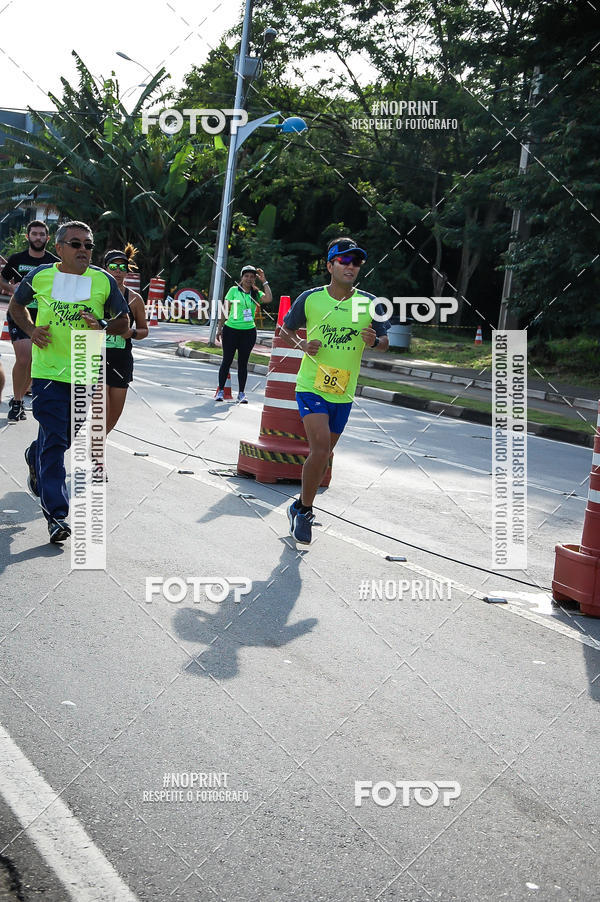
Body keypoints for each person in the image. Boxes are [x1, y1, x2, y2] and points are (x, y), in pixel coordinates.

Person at [8, 220, 129, 544]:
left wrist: (102, 324)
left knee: (61, 438)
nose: (84, 250)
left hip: (84, 371)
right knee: (57, 445)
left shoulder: (102, 281)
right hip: (48, 373)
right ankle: (57, 516)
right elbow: (16, 307)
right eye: (76, 244)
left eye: (88, 245)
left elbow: (124, 322)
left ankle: (34, 455)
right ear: (59, 248)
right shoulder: (40, 276)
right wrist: (32, 331)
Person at [281, 237, 390, 544]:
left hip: (343, 391)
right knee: (318, 449)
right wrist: (302, 344)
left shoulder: (370, 303)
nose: (351, 267)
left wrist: (374, 342)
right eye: (344, 261)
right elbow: (286, 330)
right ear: (330, 265)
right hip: (311, 385)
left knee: (325, 453)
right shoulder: (311, 299)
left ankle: (299, 505)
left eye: (356, 262)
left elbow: (385, 344)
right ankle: (306, 513)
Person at [0, 221, 58, 423]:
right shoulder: (17, 259)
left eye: (42, 234)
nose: (38, 237)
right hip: (19, 313)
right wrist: (11, 289)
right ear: (28, 237)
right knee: (24, 359)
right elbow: (1, 278)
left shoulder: (54, 263)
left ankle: (24, 394)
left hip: (43, 317)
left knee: (33, 362)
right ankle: (16, 402)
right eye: (34, 234)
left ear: (48, 238)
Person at [103, 246, 148, 433]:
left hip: (121, 360)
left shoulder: (134, 299)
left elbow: (144, 329)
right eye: (113, 267)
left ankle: (97, 443)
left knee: (114, 413)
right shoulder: (95, 294)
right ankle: (95, 453)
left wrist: (132, 334)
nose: (118, 272)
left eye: (123, 268)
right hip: (95, 358)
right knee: (101, 410)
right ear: (105, 269)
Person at [215, 264, 272, 403]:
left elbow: (269, 298)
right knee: (227, 360)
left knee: (243, 363)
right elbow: (224, 309)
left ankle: (241, 393)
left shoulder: (256, 293)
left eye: (252, 277)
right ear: (242, 277)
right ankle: (221, 391)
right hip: (231, 330)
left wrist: (264, 280)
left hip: (248, 332)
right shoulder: (234, 290)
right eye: (246, 276)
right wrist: (219, 328)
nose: (249, 279)